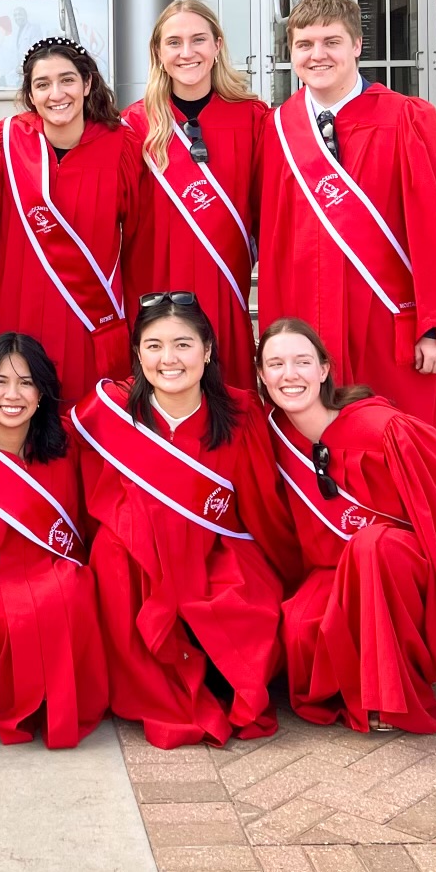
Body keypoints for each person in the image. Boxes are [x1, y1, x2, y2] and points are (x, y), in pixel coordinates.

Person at [257, 317, 436, 735]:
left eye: (302, 362)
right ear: (262, 375)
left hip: (400, 570)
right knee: (301, 627)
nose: (290, 375)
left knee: (373, 545)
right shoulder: (271, 437)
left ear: (323, 370)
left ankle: (392, 695)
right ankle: (359, 678)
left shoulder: (384, 429)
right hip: (334, 571)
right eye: (276, 364)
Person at [259, 0, 436, 429]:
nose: (318, 55)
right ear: (291, 52)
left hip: (390, 320)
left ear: (356, 45)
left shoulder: (407, 119)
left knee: (398, 441)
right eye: (305, 44)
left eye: (331, 42)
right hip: (305, 320)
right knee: (311, 445)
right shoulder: (276, 129)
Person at [74, 292, 287, 749]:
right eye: (153, 346)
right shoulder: (110, 410)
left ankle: (222, 676)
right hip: (137, 555)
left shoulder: (240, 413)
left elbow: (261, 507)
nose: (168, 359)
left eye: (183, 345)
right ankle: (161, 687)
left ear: (207, 350)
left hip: (215, 548)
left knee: (248, 597)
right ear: (137, 354)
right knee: (112, 559)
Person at [0, 333, 107, 748]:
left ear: (42, 392)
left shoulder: (66, 451)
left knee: (68, 591)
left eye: (26, 382)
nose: (12, 395)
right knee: (9, 610)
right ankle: (13, 705)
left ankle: (62, 706)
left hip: (57, 563)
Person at [0, 38, 143, 403]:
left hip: (90, 319)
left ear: (87, 84)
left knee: (90, 418)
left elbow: (137, 239)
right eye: (42, 84)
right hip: (18, 310)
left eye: (67, 80)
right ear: (30, 94)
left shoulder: (122, 147)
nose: (57, 93)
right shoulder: (4, 143)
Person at [124, 0, 266, 390]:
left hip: (222, 286)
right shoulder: (134, 125)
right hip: (152, 285)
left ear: (218, 46)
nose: (187, 52)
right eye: (174, 42)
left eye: (198, 39)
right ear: (158, 52)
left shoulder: (253, 118)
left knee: (228, 399)